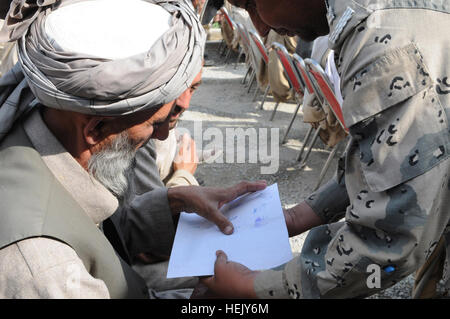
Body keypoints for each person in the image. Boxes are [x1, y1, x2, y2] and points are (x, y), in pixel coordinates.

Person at [0, 0, 266, 298]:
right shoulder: (46, 272)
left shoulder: (37, 135)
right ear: (95, 129)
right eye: (155, 124)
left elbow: (93, 236)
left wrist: (174, 201)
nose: (164, 136)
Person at [198, 0, 450, 299]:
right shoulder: (374, 19)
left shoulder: (378, 36)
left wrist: (253, 286)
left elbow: (392, 239)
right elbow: (391, 160)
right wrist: (304, 213)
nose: (260, 27)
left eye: (252, 4)